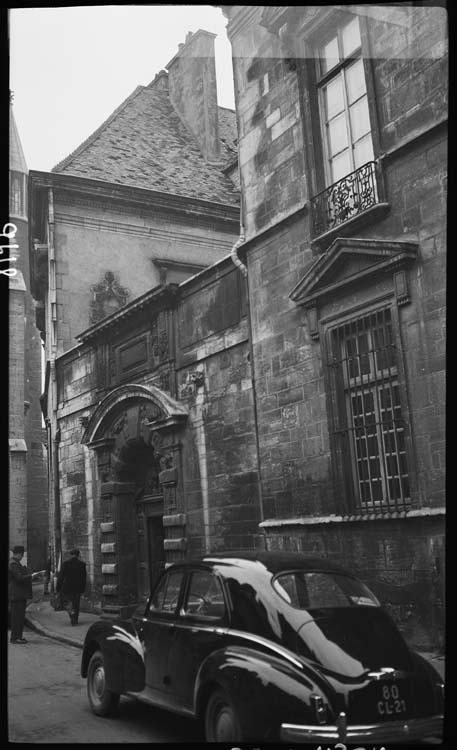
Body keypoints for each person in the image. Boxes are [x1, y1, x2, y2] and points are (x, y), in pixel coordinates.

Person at [8, 545, 33, 644]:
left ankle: (18, 636)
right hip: (16, 594)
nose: (22, 557)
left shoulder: (14, 562)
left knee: (19, 617)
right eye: (22, 555)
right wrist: (31, 576)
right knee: (17, 618)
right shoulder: (13, 563)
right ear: (18, 554)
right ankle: (15, 638)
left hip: (18, 594)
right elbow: (19, 578)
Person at [56, 548, 86, 625]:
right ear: (78, 555)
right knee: (76, 604)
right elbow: (84, 578)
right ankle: (75, 619)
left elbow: (61, 577)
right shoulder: (82, 564)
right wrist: (82, 588)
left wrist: (58, 587)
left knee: (68, 603)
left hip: (67, 588)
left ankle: (72, 614)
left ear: (71, 555)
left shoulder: (65, 564)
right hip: (78, 588)